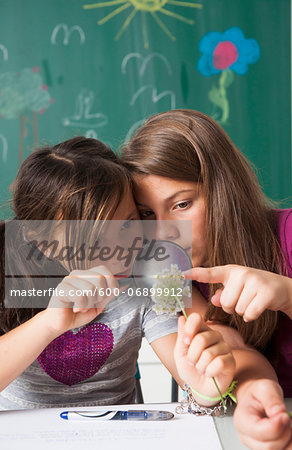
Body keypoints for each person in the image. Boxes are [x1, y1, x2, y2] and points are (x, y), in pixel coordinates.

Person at [0, 136, 235, 410]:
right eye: (96, 239)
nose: (123, 249)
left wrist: (206, 391)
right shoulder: (9, 272)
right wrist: (49, 325)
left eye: (127, 224)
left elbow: (191, 377)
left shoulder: (148, 275)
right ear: (42, 242)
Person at [121, 109, 292, 449]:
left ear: (223, 190)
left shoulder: (287, 234)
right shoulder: (167, 274)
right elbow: (229, 349)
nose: (164, 230)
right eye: (146, 214)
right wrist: (251, 392)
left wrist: (287, 295)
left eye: (182, 204)